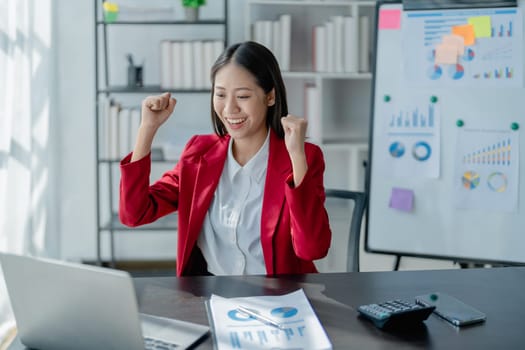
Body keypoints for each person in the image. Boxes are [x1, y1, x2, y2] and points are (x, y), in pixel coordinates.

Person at [119, 41, 331, 276]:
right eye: (220, 94)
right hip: (213, 297)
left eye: (242, 96)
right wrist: (147, 129)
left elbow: (312, 249)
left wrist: (297, 157)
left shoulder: (303, 156)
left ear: (270, 96)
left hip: (281, 300)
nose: (230, 109)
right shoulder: (199, 153)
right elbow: (134, 214)